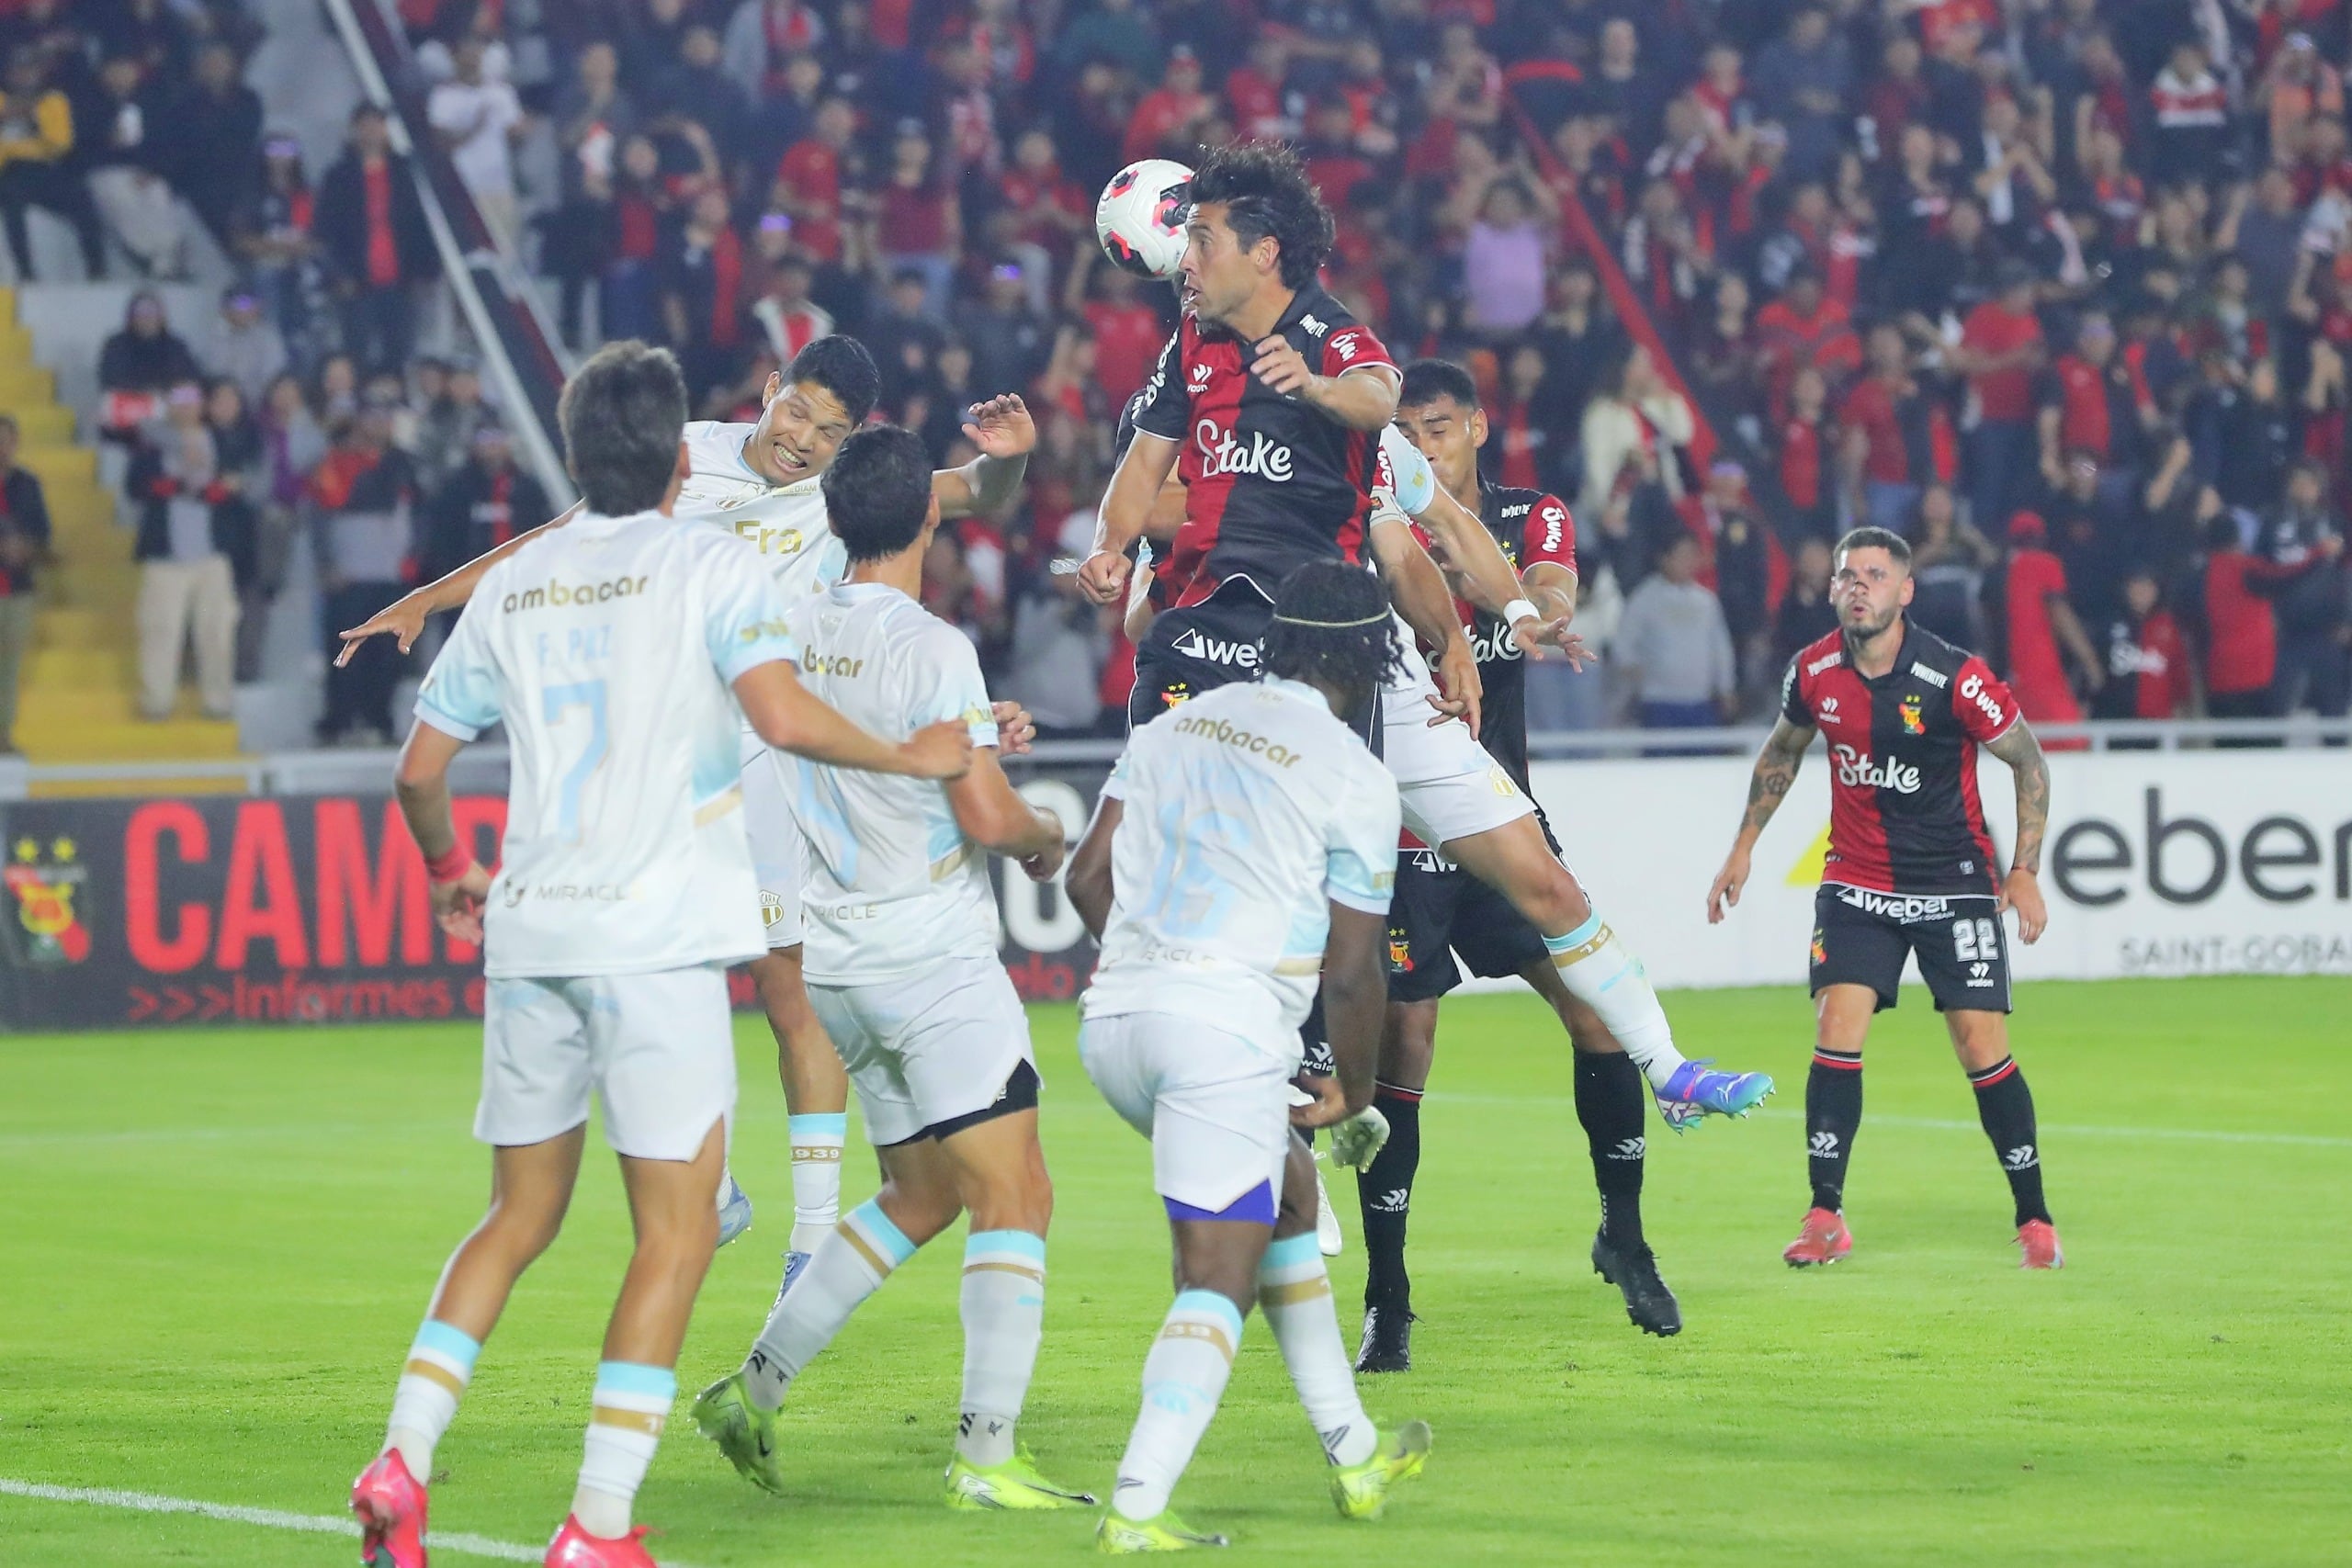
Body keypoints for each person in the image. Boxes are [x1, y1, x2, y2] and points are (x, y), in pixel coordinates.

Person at [347, 341, 973, 1568]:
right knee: (677, 1231)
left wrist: (449, 876)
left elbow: (419, 772)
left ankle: (401, 1455)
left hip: (530, 928)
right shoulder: (711, 562)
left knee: (513, 1216)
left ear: (578, 454)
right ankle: (598, 1521)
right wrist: (913, 758)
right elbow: (782, 716)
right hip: (655, 934)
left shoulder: (520, 584)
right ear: (688, 449)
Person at [690, 425, 1087, 1511]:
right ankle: (987, 1453)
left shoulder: (787, 623)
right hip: (930, 956)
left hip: (837, 961)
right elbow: (986, 814)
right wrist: (1047, 839)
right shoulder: (932, 644)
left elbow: (875, 746)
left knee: (917, 1195)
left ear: (828, 517)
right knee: (1018, 1194)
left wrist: (976, 742)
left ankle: (753, 1388)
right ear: (926, 519)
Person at [1064, 559, 1432, 1551]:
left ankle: (1354, 1451)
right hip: (1217, 1031)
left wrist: (1152, 969)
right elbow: (1355, 972)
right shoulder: (1354, 775)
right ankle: (1137, 1508)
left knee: (1289, 1199)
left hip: (1115, 1023)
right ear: (1366, 652)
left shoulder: (1172, 725)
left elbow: (1086, 874)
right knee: (1214, 1277)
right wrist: (1355, 1092)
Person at [1367, 359, 1686, 1354]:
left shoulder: (1526, 516)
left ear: (1475, 428)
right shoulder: (1374, 525)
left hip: (1502, 819)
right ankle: (1389, 1297)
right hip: (1401, 828)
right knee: (1405, 1047)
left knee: (1592, 1014)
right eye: (1408, 431)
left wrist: (1542, 610)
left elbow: (1550, 582)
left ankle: (1626, 1239)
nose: (1425, 446)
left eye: (1440, 427)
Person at [1706, 525, 2064, 1271]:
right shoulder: (1812, 671)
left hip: (1955, 883)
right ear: (1833, 588)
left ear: (1905, 591)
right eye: (1846, 574)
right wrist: (1744, 844)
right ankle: (1824, 1213)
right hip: (1857, 880)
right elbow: (1782, 749)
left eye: (1874, 574)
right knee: (1837, 1024)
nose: (1858, 585)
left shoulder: (1955, 677)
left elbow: (2028, 760)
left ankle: (2034, 1215)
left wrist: (2023, 867)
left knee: (1980, 1045)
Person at [127, 381, 244, 720]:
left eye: (192, 401)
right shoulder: (151, 445)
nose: (186, 408)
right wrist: (178, 485)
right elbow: (136, 487)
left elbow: (235, 486)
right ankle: (156, 700)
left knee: (217, 630)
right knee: (160, 629)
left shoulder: (220, 440)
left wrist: (217, 490)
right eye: (178, 401)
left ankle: (218, 701)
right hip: (166, 554)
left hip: (212, 553)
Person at [315, 105, 436, 374]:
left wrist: (425, 271)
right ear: (355, 130)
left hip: (401, 281)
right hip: (357, 283)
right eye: (365, 125)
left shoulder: (406, 172)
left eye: (376, 124)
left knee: (400, 350)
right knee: (357, 350)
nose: (371, 132)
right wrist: (340, 275)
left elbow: (424, 225)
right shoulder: (338, 177)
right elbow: (325, 231)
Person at [1614, 534, 1736, 731]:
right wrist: (1635, 674)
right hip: (1658, 701)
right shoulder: (1645, 598)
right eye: (1682, 556)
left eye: (1692, 556)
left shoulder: (1706, 601)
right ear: (1664, 559)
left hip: (1700, 701)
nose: (1688, 563)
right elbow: (1624, 642)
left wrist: (1726, 688)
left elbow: (1720, 648)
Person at [0, 48, 103, 280]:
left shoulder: (52, 100)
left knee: (82, 199)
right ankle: (26, 272)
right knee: (12, 204)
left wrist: (20, 140)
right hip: (8, 172)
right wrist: (30, 144)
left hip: (45, 170)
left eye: (30, 70)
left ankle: (97, 269)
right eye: (19, 71)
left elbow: (60, 143)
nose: (25, 76)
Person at [0, 412, 49, 752]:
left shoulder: (28, 484)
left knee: (8, 668)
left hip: (16, 589)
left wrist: (26, 548)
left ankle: (2, 736)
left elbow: (44, 533)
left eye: (7, 439)